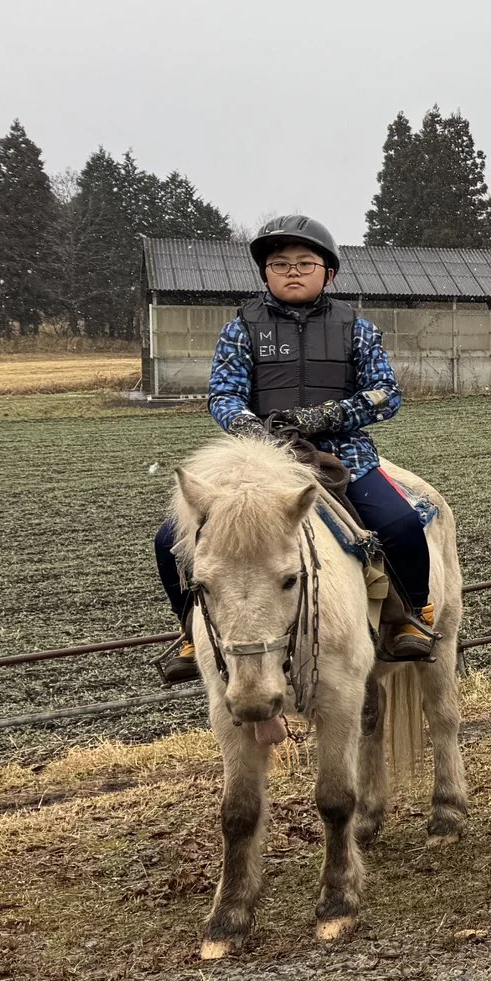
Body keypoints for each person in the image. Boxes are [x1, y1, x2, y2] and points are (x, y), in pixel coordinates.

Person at [153, 217, 437, 683]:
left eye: (305, 263)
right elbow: (223, 396)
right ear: (265, 273)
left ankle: (412, 616)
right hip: (262, 460)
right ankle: (190, 629)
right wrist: (254, 428)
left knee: (401, 524)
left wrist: (322, 417)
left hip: (344, 455)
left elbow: (386, 394)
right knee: (170, 540)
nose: (292, 272)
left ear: (329, 273)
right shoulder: (241, 329)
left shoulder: (357, 328)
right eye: (280, 264)